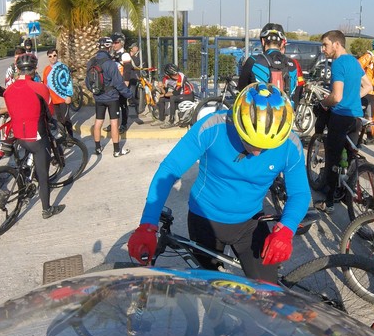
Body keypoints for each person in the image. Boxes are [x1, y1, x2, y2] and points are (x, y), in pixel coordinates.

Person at [127, 83, 310, 283]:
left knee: (268, 293)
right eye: (250, 142)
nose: (257, 152)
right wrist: (148, 224)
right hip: (204, 220)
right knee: (209, 291)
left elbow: (300, 193)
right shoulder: (213, 126)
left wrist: (286, 229)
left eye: (267, 146)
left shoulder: (290, 144)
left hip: (251, 223)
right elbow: (169, 170)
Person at [314, 30, 373, 213]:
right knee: (350, 156)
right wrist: (353, 98)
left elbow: (336, 97)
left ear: (337, 44)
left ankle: (329, 203)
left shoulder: (338, 64)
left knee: (333, 160)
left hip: (340, 117)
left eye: (325, 44)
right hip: (355, 117)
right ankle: (347, 189)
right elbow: (368, 86)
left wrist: (323, 103)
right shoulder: (355, 62)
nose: (323, 49)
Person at [3, 53, 65, 220]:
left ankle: (24, 182)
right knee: (43, 176)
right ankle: (47, 209)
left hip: (19, 136)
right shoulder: (40, 88)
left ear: (17, 69)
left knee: (26, 161)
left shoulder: (8, 90)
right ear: (35, 69)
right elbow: (50, 112)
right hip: (37, 137)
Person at [88, 36, 133, 157]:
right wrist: (129, 94)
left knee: (98, 122)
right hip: (112, 97)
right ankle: (116, 151)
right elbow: (119, 83)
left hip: (98, 97)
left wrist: (95, 91)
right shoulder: (110, 64)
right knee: (114, 123)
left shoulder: (91, 62)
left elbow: (88, 82)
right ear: (108, 48)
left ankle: (97, 148)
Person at [237, 23, 298, 101]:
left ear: (263, 41)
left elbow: (242, 89)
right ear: (282, 43)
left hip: (259, 108)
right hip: (286, 108)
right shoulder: (292, 64)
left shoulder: (253, 60)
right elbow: (295, 94)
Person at [42, 49, 76, 146]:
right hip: (53, 100)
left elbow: (68, 81)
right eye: (50, 56)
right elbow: (45, 85)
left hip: (63, 98)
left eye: (54, 55)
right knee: (59, 121)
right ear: (48, 57)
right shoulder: (46, 69)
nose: (52, 58)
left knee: (66, 119)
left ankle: (71, 138)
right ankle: (63, 139)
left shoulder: (63, 67)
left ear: (57, 56)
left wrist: (69, 95)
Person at [109, 32, 142, 132]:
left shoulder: (125, 55)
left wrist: (126, 82)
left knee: (123, 104)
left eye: (116, 42)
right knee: (113, 105)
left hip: (122, 83)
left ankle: (123, 124)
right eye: (113, 43)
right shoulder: (112, 54)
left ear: (122, 43)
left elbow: (127, 69)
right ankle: (113, 123)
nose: (114, 45)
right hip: (112, 83)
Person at [155, 63, 195, 128]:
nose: (176, 76)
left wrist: (164, 94)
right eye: (174, 75)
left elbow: (176, 92)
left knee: (172, 98)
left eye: (176, 74)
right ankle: (161, 119)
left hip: (188, 95)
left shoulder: (181, 77)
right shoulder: (166, 79)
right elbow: (165, 92)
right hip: (179, 94)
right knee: (161, 99)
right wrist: (161, 88)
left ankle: (171, 121)